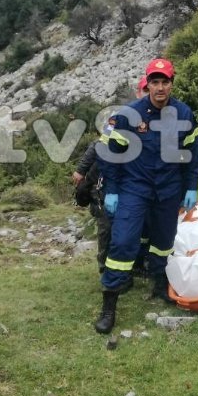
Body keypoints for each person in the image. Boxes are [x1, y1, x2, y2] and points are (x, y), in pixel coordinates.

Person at [94, 58, 198, 334]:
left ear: (171, 84)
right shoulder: (129, 115)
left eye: (165, 81)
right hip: (134, 189)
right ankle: (109, 306)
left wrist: (191, 186)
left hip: (169, 190)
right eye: (155, 82)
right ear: (148, 84)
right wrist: (113, 190)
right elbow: (110, 154)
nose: (160, 87)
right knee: (123, 243)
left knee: (164, 243)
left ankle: (159, 285)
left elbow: (193, 154)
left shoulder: (184, 114)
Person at [72, 76, 148, 276]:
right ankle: (106, 267)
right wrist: (81, 170)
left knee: (138, 223)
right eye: (145, 89)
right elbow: (99, 144)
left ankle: (137, 264)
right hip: (109, 179)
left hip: (137, 181)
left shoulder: (163, 118)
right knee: (107, 224)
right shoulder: (120, 117)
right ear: (138, 93)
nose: (150, 93)